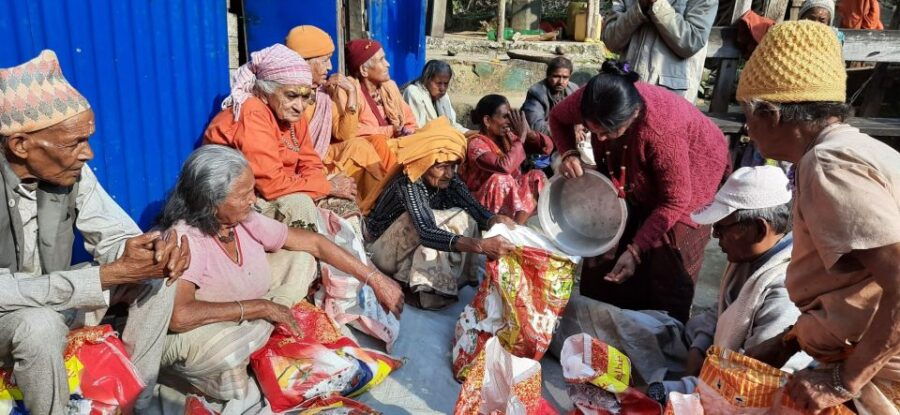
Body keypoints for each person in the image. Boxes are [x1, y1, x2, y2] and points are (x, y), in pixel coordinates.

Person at [0, 50, 191, 413]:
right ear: (20, 145)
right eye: (74, 143)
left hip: (50, 296)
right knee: (38, 326)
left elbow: (115, 232)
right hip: (11, 318)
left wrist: (153, 250)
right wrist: (104, 276)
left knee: (156, 278)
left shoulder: (71, 173)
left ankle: (135, 402)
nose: (87, 154)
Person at [736, 21, 900, 413]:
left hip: (879, 377)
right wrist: (790, 340)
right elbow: (857, 287)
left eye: (749, 114)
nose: (746, 128)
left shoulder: (827, 164)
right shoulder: (855, 148)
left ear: (773, 114)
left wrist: (845, 380)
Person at [156, 145, 402, 406]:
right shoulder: (187, 237)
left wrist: (374, 279)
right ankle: (259, 335)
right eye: (243, 194)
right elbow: (179, 315)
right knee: (223, 356)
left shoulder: (243, 218)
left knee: (303, 258)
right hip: (209, 324)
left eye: (252, 189)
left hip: (251, 306)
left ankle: (264, 331)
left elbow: (314, 242)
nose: (253, 200)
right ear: (210, 202)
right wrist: (261, 307)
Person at [553, 166, 808, 402]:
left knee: (640, 391)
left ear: (758, 230)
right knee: (612, 320)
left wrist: (659, 390)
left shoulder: (786, 290)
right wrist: (698, 348)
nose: (715, 237)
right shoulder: (748, 255)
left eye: (721, 229)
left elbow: (744, 383)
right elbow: (718, 312)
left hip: (731, 393)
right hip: (698, 356)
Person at [550, 60, 729, 323]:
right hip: (642, 170)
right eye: (593, 131)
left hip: (694, 172)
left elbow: (675, 199)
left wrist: (636, 249)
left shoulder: (661, 129)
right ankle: (609, 325)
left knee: (665, 262)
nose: (598, 140)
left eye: (609, 132)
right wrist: (568, 152)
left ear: (633, 115)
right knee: (609, 251)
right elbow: (557, 117)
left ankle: (663, 340)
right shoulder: (595, 97)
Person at [361, 118, 516, 310]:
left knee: (464, 216)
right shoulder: (409, 182)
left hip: (411, 244)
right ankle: (415, 287)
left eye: (453, 166)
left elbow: (474, 209)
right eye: (441, 166)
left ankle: (446, 282)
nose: (449, 174)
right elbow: (426, 232)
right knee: (422, 228)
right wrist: (480, 246)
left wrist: (494, 219)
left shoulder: (449, 180)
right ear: (425, 162)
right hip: (381, 252)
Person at [204, 44, 359, 228]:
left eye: (305, 97)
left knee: (344, 203)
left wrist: (320, 184)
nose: (300, 106)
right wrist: (327, 187)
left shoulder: (292, 114)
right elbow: (271, 186)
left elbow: (310, 162)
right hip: (236, 200)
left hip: (280, 188)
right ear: (264, 93)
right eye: (291, 95)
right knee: (301, 205)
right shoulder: (253, 112)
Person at [286, 25, 392, 206]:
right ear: (305, 63)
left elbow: (344, 134)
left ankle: (380, 201)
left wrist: (351, 93)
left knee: (360, 146)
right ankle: (379, 203)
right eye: (325, 60)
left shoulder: (323, 93)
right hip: (299, 163)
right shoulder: (285, 95)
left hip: (321, 155)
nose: (330, 66)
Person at [460, 95, 553, 224]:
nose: (509, 122)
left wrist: (528, 132)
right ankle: (503, 227)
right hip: (481, 204)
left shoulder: (508, 136)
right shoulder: (476, 144)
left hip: (510, 196)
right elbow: (504, 167)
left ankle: (518, 227)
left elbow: (547, 147)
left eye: (510, 116)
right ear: (487, 121)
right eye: (505, 117)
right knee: (500, 178)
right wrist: (521, 138)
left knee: (536, 175)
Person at [601, 0, 716, 102]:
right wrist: (639, 8)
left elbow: (692, 42)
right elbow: (611, 41)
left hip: (671, 99)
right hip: (627, 93)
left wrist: (658, 4)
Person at [345, 39, 418, 170]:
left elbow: (410, 122)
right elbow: (350, 131)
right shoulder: (349, 92)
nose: (388, 64)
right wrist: (390, 130)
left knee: (441, 134)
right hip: (372, 158)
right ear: (363, 70)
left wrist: (407, 131)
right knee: (379, 143)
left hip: (399, 145)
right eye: (381, 60)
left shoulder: (390, 87)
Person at [402, 60, 470, 134]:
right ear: (427, 79)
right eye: (438, 83)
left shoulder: (443, 97)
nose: (442, 88)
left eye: (446, 83)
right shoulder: (413, 93)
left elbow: (452, 125)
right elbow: (418, 130)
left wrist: (471, 132)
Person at [522, 56, 580, 135]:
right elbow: (537, 126)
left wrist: (579, 125)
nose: (560, 81)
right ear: (548, 75)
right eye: (556, 76)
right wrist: (569, 133)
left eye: (565, 77)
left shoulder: (573, 89)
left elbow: (585, 114)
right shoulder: (536, 93)